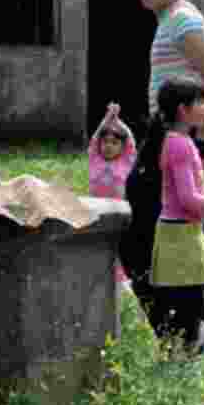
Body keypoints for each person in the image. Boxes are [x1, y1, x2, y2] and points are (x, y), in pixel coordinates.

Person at [129, 0, 204, 336]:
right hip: (171, 137)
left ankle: (193, 325)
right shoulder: (168, 21)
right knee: (173, 225)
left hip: (187, 140)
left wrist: (203, 145)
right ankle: (183, 323)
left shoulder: (185, 20)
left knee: (174, 226)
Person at [147, 77, 204, 349]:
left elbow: (195, 188)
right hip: (181, 233)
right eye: (201, 101)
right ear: (184, 110)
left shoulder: (176, 141)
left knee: (184, 298)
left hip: (180, 231)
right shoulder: (181, 145)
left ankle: (182, 349)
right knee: (190, 301)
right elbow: (187, 198)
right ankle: (185, 353)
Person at [88, 102, 137, 283]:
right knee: (98, 246)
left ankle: (121, 279)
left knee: (117, 248)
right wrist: (107, 120)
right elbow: (94, 140)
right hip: (97, 214)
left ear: (122, 148)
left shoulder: (126, 162)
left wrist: (118, 121)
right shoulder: (95, 160)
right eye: (105, 142)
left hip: (118, 215)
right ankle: (97, 275)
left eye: (114, 143)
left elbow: (130, 141)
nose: (108, 146)